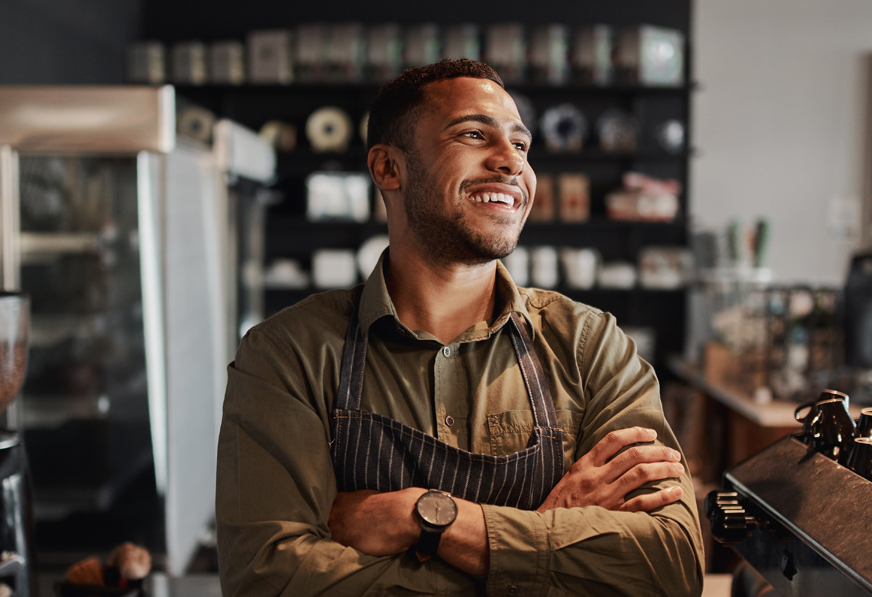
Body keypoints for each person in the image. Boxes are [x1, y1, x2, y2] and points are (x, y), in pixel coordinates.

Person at [217, 59, 704, 596]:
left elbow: (669, 567)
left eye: (521, 146)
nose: (511, 164)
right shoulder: (288, 354)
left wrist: (426, 518)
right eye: (474, 135)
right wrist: (544, 536)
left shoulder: (590, 346)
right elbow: (269, 579)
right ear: (388, 168)